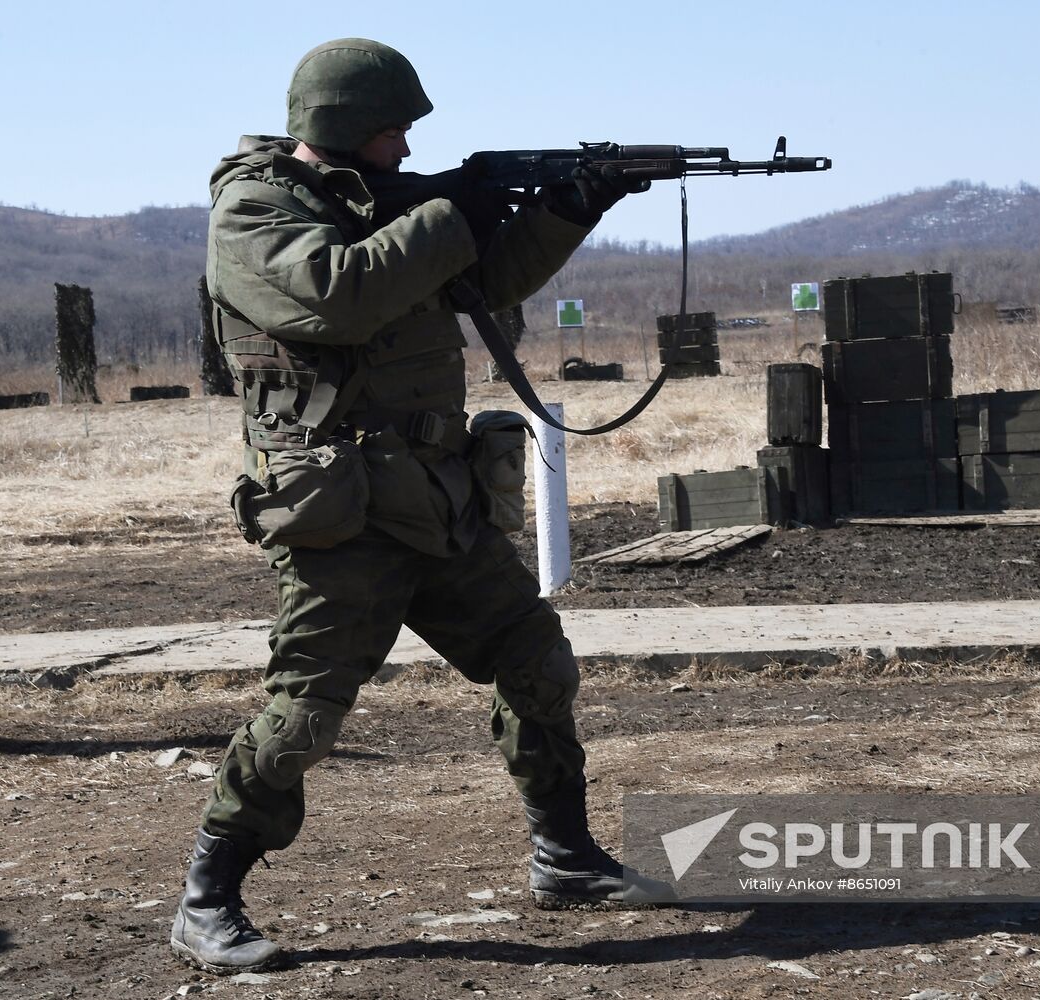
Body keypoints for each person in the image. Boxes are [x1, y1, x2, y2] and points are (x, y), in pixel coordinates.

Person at [170, 38, 665, 975]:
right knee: (306, 713)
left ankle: (565, 857)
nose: (405, 147)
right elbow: (335, 298)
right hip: (339, 512)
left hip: (439, 499)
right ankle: (207, 900)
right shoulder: (254, 210)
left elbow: (487, 280)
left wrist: (570, 207)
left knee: (535, 662)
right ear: (343, 129)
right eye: (392, 130)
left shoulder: (393, 209)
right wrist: (451, 211)